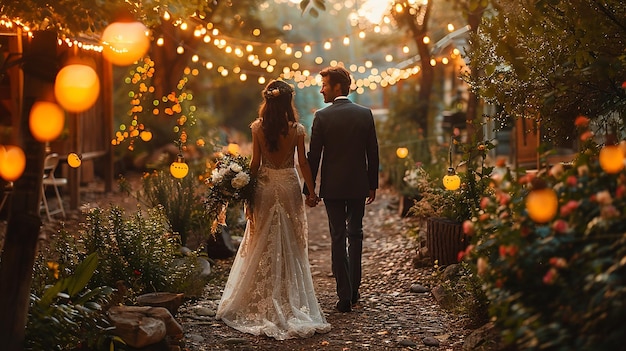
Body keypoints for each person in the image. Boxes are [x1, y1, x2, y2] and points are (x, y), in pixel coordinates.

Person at [216, 79, 331, 340]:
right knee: (291, 238)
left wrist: (246, 193)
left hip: (266, 185)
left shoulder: (258, 128)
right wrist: (312, 192)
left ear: (268, 101)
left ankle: (262, 295)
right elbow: (302, 162)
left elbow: (255, 164)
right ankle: (288, 296)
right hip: (289, 184)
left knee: (261, 238)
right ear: (288, 101)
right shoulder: (297, 129)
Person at [305, 65, 379, 313]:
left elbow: (313, 157)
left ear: (337, 87)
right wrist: (372, 184)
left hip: (333, 187)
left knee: (338, 236)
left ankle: (344, 295)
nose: (321, 89)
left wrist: (310, 189)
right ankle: (355, 289)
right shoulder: (364, 114)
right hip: (358, 185)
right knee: (356, 234)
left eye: (324, 85)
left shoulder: (322, 117)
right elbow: (373, 153)